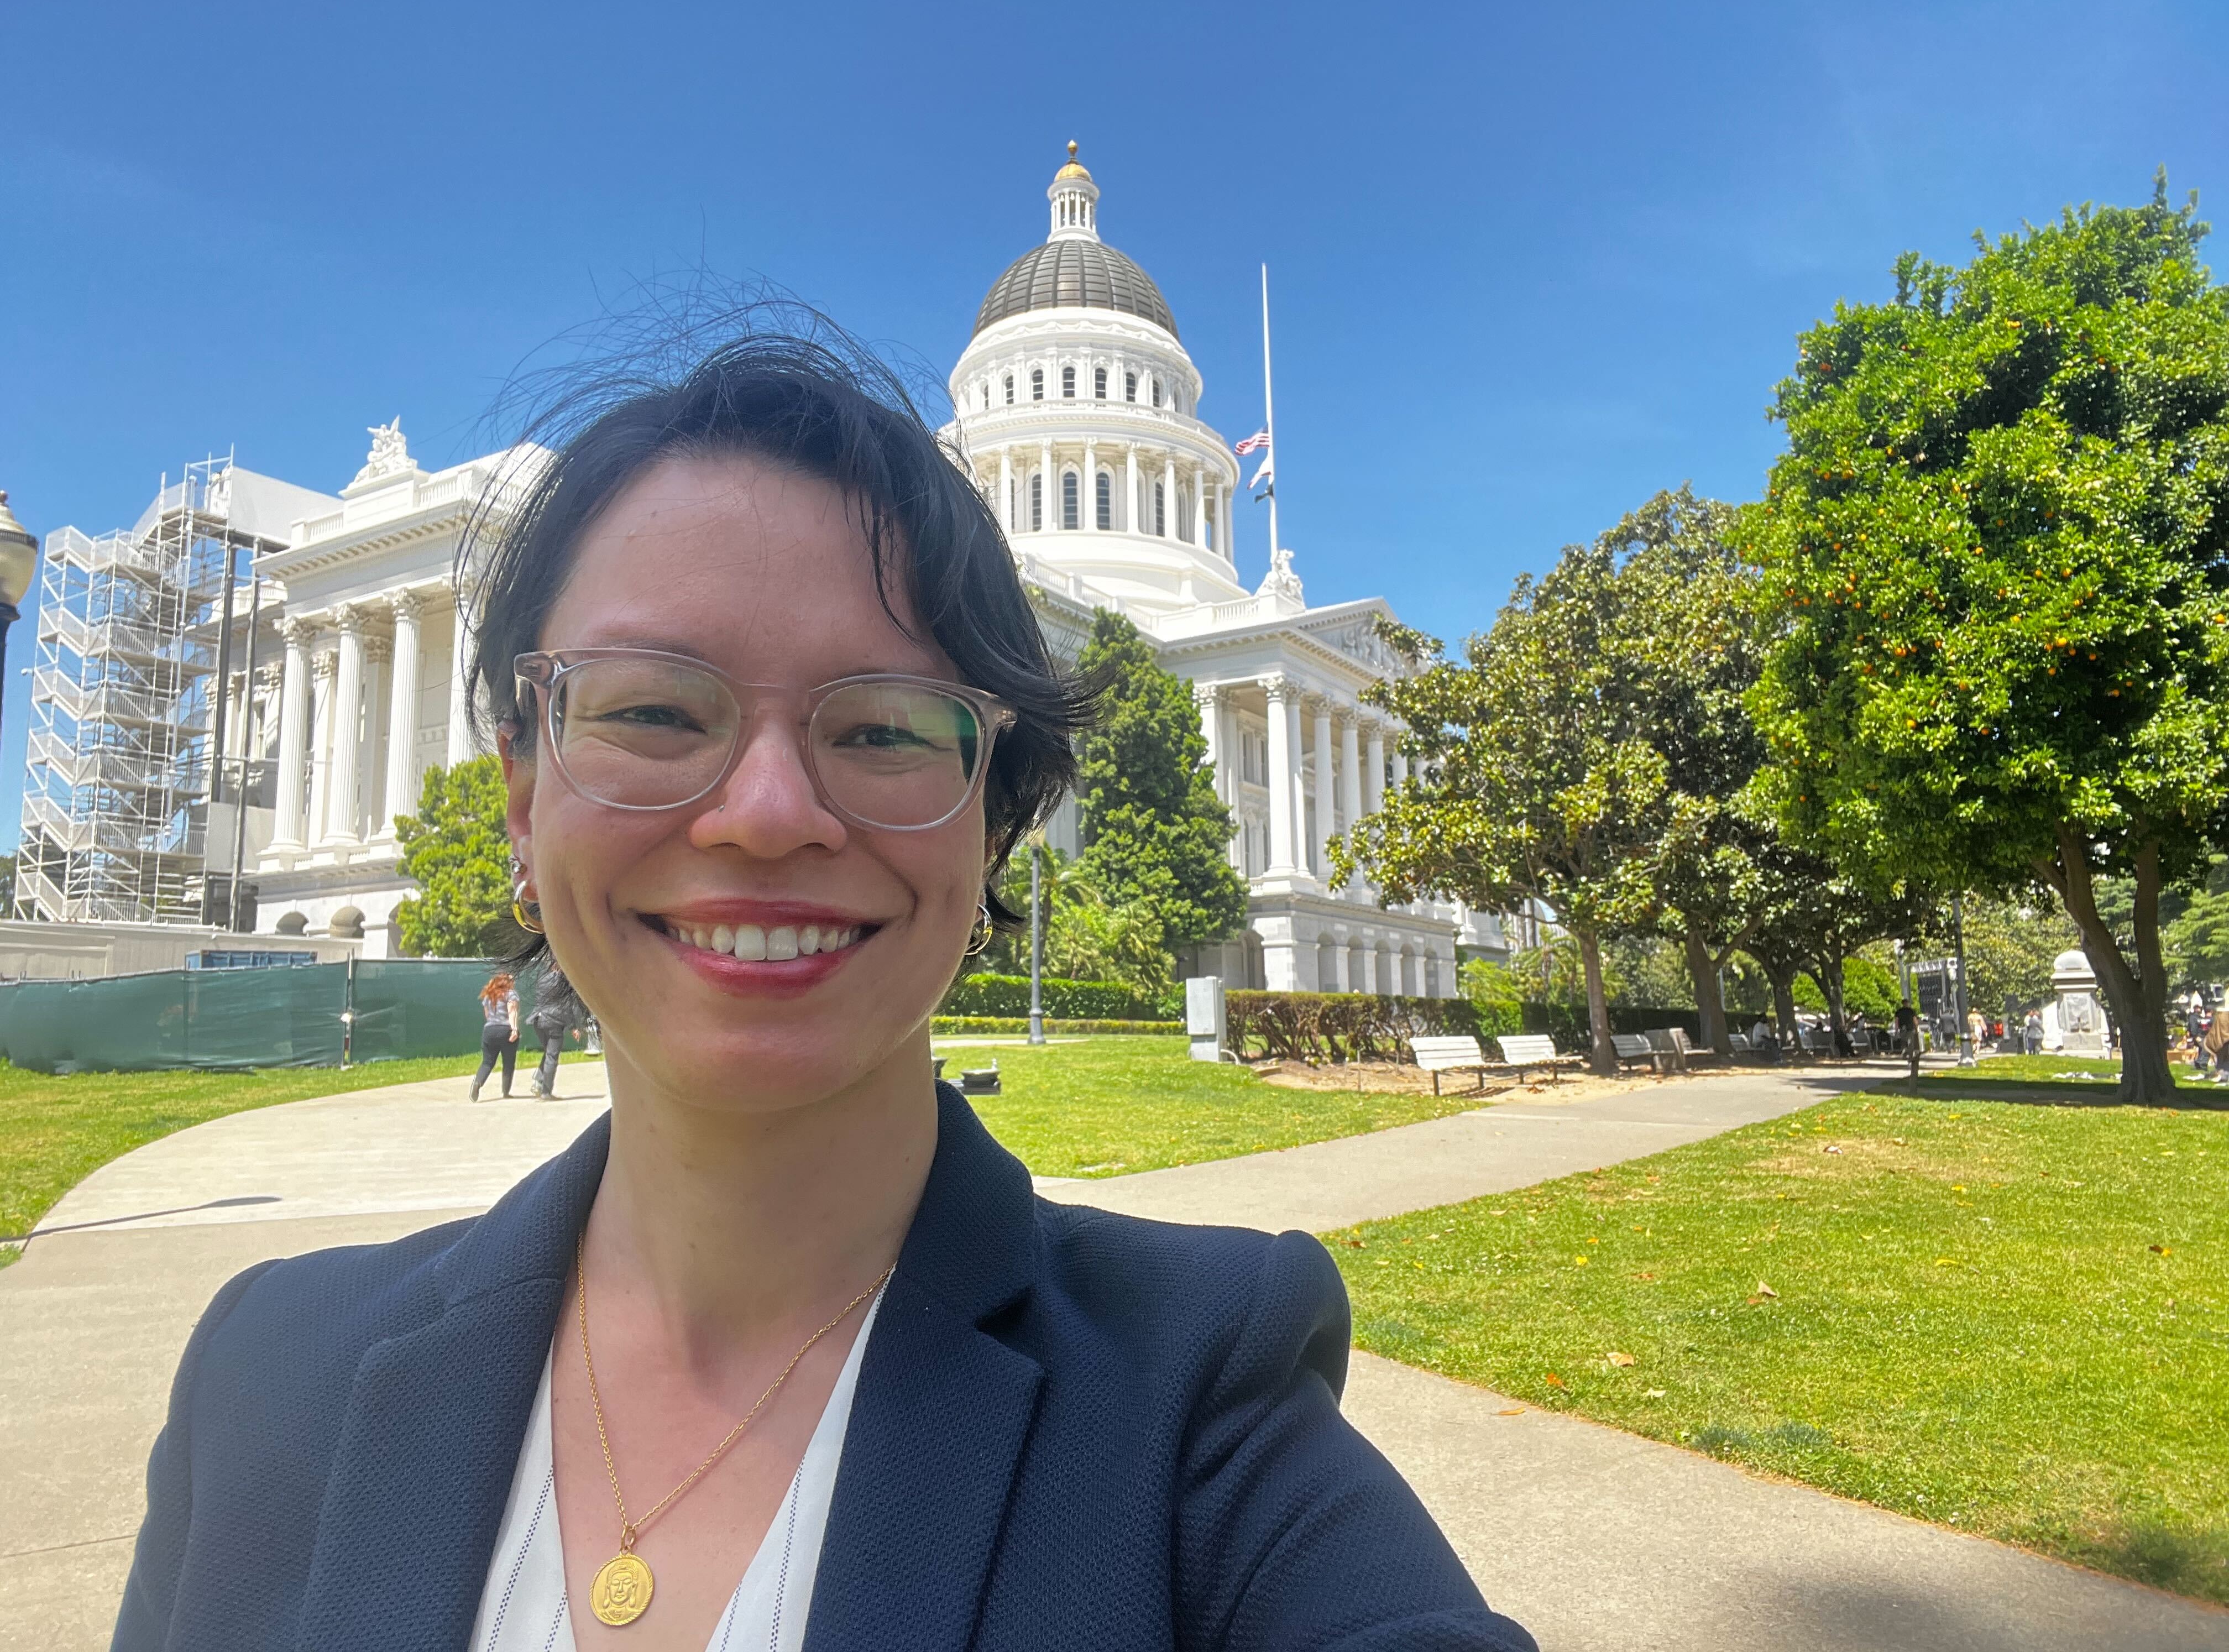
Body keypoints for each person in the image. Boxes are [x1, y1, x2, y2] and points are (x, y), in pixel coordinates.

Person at [111, 330, 1536, 1652]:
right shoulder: (265, 1382)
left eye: (884, 725)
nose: (768, 814)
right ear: (521, 801)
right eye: (658, 709)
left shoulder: (1201, 1407)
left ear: (995, 827)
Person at [527, 969, 591, 1100]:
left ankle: (538, 1081)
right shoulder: (564, 981)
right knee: (552, 1056)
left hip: (538, 1020)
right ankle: (546, 1092)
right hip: (554, 1022)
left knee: (549, 1052)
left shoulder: (542, 978)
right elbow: (569, 1004)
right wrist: (573, 1027)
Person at [469, 970, 522, 1100]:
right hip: (506, 1030)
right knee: (509, 1062)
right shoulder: (511, 994)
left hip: (489, 1030)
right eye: (512, 980)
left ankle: (478, 1083)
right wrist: (514, 1029)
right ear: (507, 983)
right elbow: (512, 1012)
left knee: (487, 1062)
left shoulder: (488, 996)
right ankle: (506, 1092)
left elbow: (487, 1015)